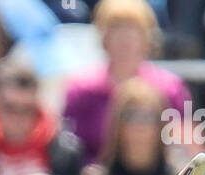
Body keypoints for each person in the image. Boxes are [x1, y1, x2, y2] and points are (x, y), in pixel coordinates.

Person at [62, 0, 190, 166]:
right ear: (103, 35)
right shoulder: (81, 90)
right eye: (116, 28)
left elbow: (190, 150)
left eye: (133, 28)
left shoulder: (170, 88)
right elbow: (69, 150)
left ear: (148, 36)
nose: (125, 37)